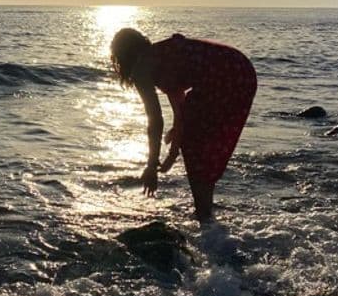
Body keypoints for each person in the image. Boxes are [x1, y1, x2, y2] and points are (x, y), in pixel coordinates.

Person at [110, 27, 257, 222]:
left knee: (195, 145)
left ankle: (204, 214)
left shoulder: (142, 68)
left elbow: (155, 119)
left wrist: (151, 166)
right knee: (199, 142)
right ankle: (205, 211)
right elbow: (180, 109)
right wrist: (173, 150)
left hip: (226, 75)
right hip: (243, 71)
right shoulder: (163, 55)